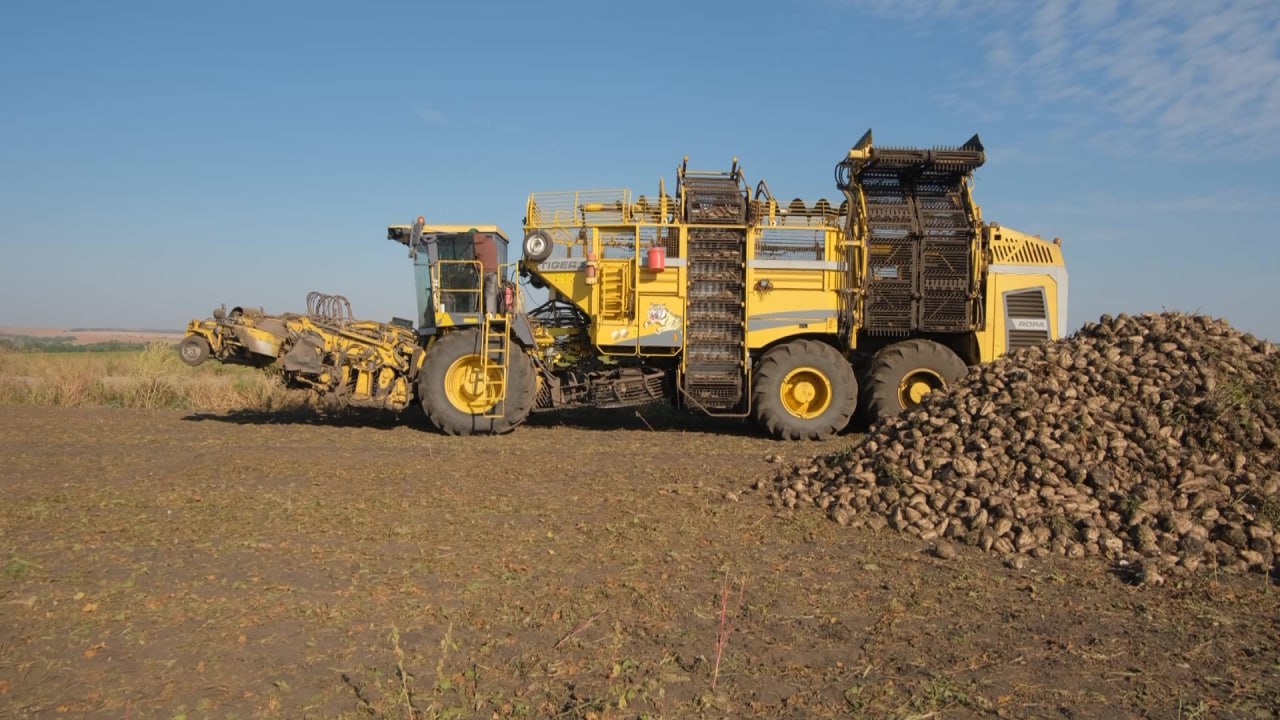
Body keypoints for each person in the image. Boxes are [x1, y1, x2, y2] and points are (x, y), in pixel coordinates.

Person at [470, 228, 500, 315]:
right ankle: (489, 312)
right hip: (493, 270)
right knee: (491, 292)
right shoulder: (490, 241)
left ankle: (474, 309)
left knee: (476, 290)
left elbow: (472, 256)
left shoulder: (474, 243)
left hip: (482, 270)